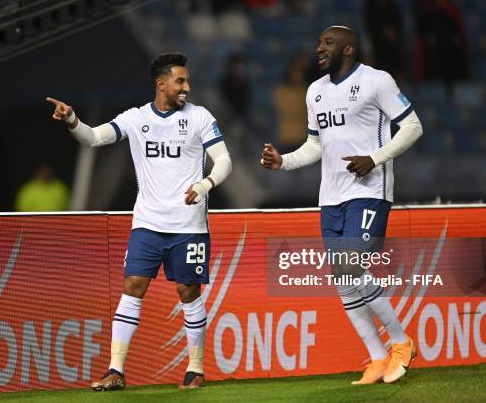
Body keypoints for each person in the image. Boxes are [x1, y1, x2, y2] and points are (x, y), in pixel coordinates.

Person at [46, 53, 232, 390]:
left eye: (187, 81)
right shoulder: (135, 118)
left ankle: (195, 369)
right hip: (147, 223)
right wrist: (72, 119)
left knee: (188, 291)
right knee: (133, 286)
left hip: (188, 225)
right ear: (161, 84)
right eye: (180, 81)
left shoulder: (200, 117)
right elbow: (92, 139)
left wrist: (205, 185)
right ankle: (115, 370)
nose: (186, 87)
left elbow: (224, 160)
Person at [261, 26, 423, 385]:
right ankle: (378, 358)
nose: (319, 48)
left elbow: (413, 126)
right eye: (318, 42)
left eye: (327, 43)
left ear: (348, 48)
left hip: (368, 191)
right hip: (330, 197)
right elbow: (316, 146)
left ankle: (401, 341)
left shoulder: (376, 81)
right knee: (343, 278)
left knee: (349, 268)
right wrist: (283, 162)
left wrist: (375, 158)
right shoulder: (315, 92)